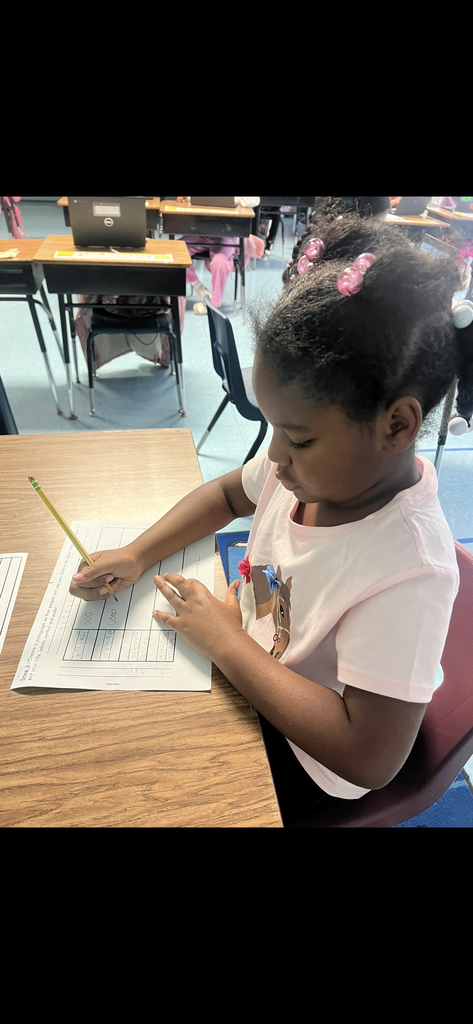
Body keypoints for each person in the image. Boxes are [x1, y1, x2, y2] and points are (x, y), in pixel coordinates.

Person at [68, 210, 473, 827]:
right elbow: (229, 494)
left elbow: (368, 757)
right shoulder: (312, 477)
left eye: (298, 438)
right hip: (260, 669)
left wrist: (228, 643)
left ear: (396, 425)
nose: (274, 459)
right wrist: (139, 551)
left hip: (313, 761)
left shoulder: (409, 569)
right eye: (273, 429)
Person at [176, 196, 262, 317]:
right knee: (177, 251)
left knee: (220, 262)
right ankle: (200, 288)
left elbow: (253, 200)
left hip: (226, 232)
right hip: (201, 230)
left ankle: (214, 304)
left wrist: (231, 200)